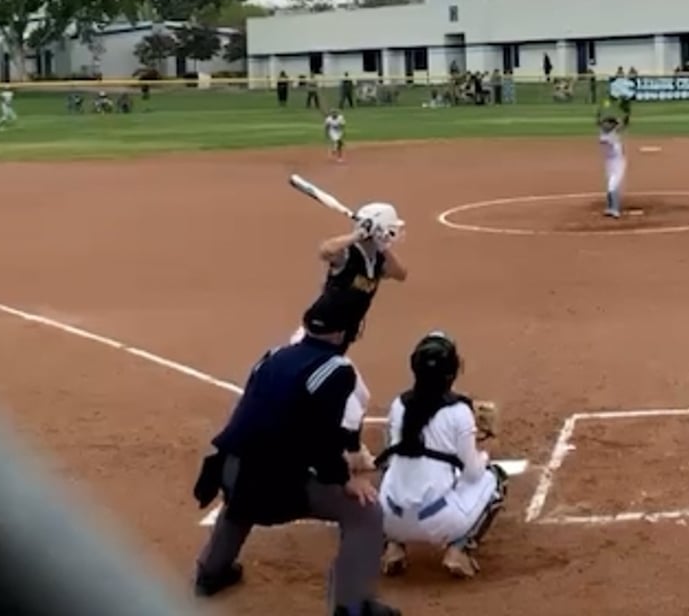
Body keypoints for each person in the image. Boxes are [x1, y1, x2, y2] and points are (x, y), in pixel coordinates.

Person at [190, 291, 398, 615]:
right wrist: (345, 479)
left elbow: (246, 416)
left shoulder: (273, 355)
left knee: (242, 495)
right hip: (279, 491)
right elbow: (324, 440)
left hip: (230, 472)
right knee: (364, 512)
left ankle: (210, 572)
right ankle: (351, 606)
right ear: (342, 334)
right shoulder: (337, 369)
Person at [377, 332, 507, 580]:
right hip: (439, 522)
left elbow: (392, 459)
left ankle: (393, 546)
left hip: (389, 519)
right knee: (496, 478)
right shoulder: (459, 412)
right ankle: (459, 550)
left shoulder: (398, 405)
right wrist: (485, 451)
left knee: (389, 470)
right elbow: (472, 474)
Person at [293, 203, 409, 345]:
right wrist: (357, 235)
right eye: (389, 229)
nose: (392, 234)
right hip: (321, 329)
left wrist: (382, 247)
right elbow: (325, 251)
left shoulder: (378, 259)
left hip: (343, 331)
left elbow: (401, 274)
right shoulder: (348, 253)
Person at [598, 107, 629, 218]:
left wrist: (626, 113)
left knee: (612, 185)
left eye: (607, 123)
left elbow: (623, 124)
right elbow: (601, 124)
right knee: (609, 185)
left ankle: (615, 209)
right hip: (609, 164)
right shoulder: (605, 133)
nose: (604, 125)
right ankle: (609, 207)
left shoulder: (613, 134)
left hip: (618, 164)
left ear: (611, 125)